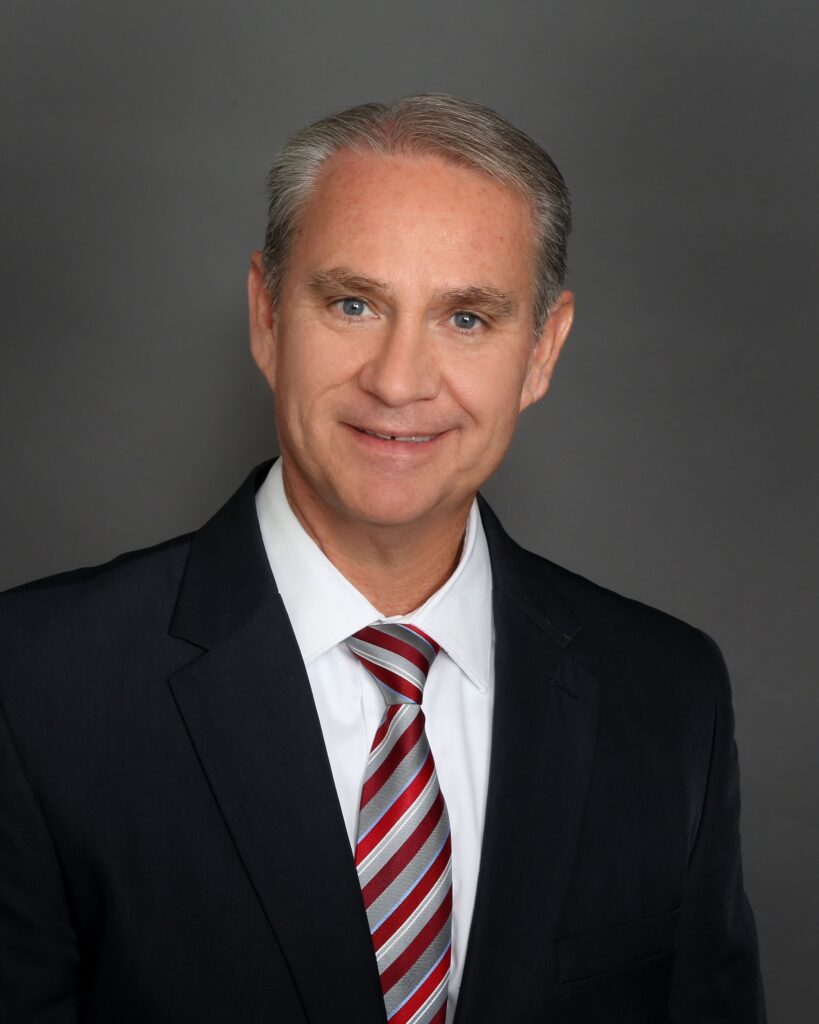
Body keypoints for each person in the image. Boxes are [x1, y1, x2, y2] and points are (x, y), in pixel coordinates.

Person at [0, 94, 765, 1023]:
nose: (398, 382)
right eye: (352, 304)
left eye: (467, 319)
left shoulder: (670, 696)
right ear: (267, 315)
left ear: (542, 351)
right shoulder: (34, 686)